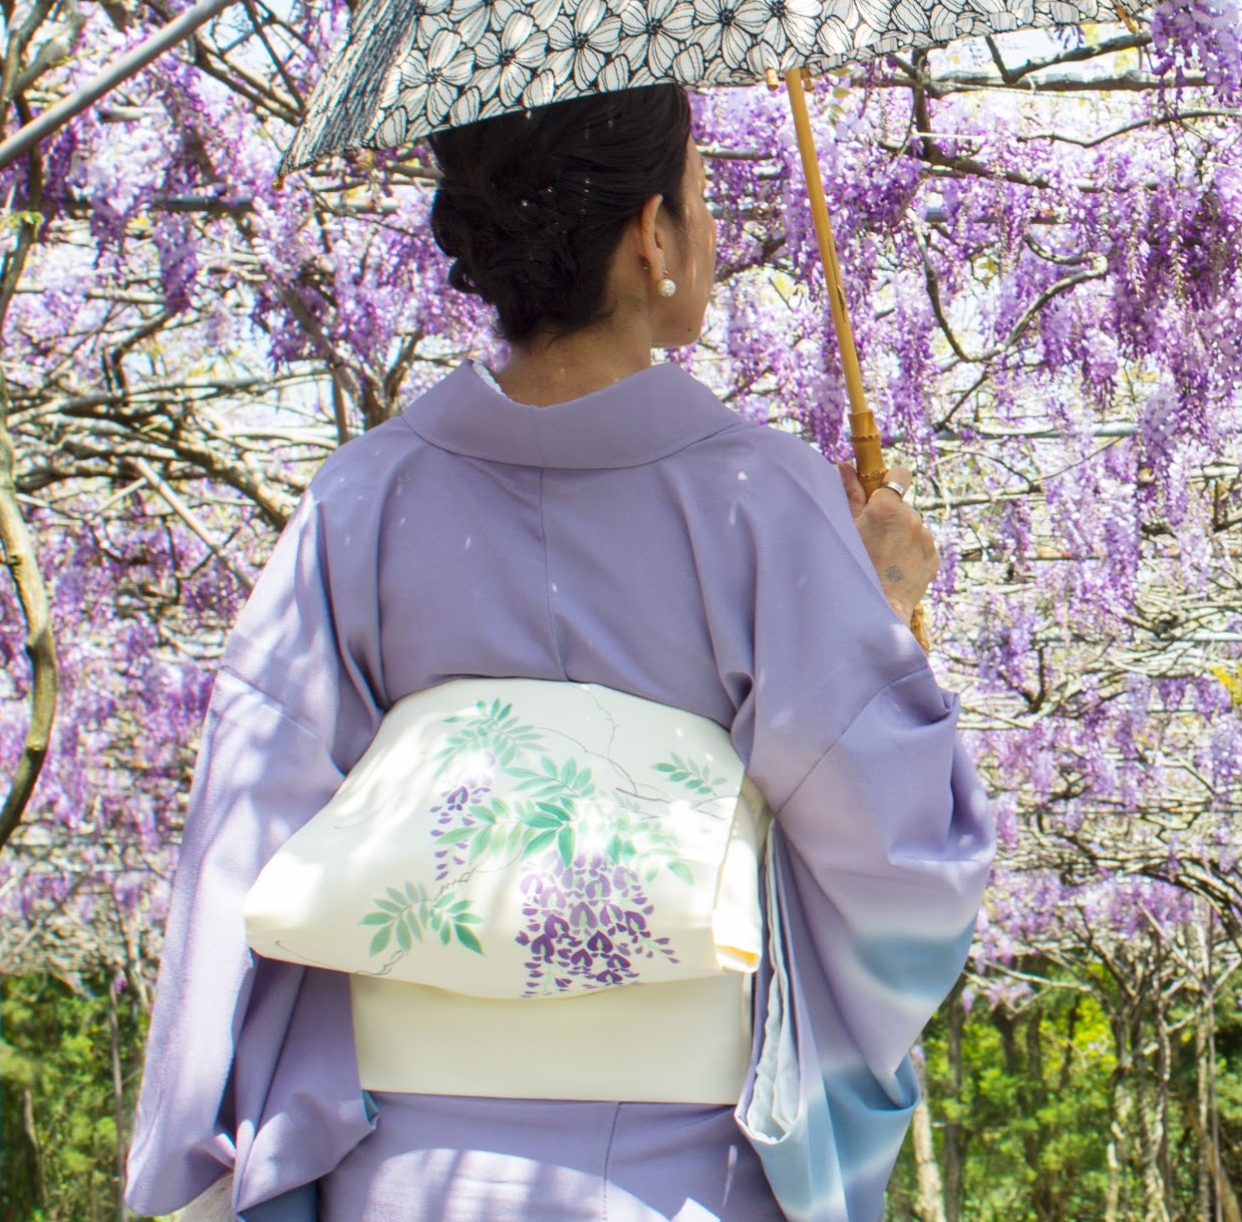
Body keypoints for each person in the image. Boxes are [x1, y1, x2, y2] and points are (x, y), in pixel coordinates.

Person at [124, 81, 995, 1222]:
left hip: (394, 1168)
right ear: (650, 237)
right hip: (683, 1172)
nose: (709, 229)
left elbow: (248, 826)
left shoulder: (361, 498)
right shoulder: (761, 499)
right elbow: (902, 859)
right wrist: (881, 610)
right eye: (697, 196)